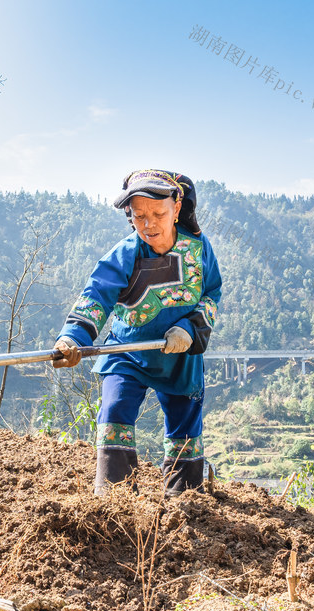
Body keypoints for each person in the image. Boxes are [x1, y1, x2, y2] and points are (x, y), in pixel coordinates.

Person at [53, 169, 222, 497]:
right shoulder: (125, 253)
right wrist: (73, 338)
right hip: (127, 352)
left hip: (180, 356)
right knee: (114, 410)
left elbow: (211, 293)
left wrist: (189, 328)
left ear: (176, 208)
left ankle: (185, 500)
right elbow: (96, 295)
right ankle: (115, 501)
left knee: (185, 429)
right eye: (139, 216)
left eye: (158, 214)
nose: (149, 224)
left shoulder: (199, 250)